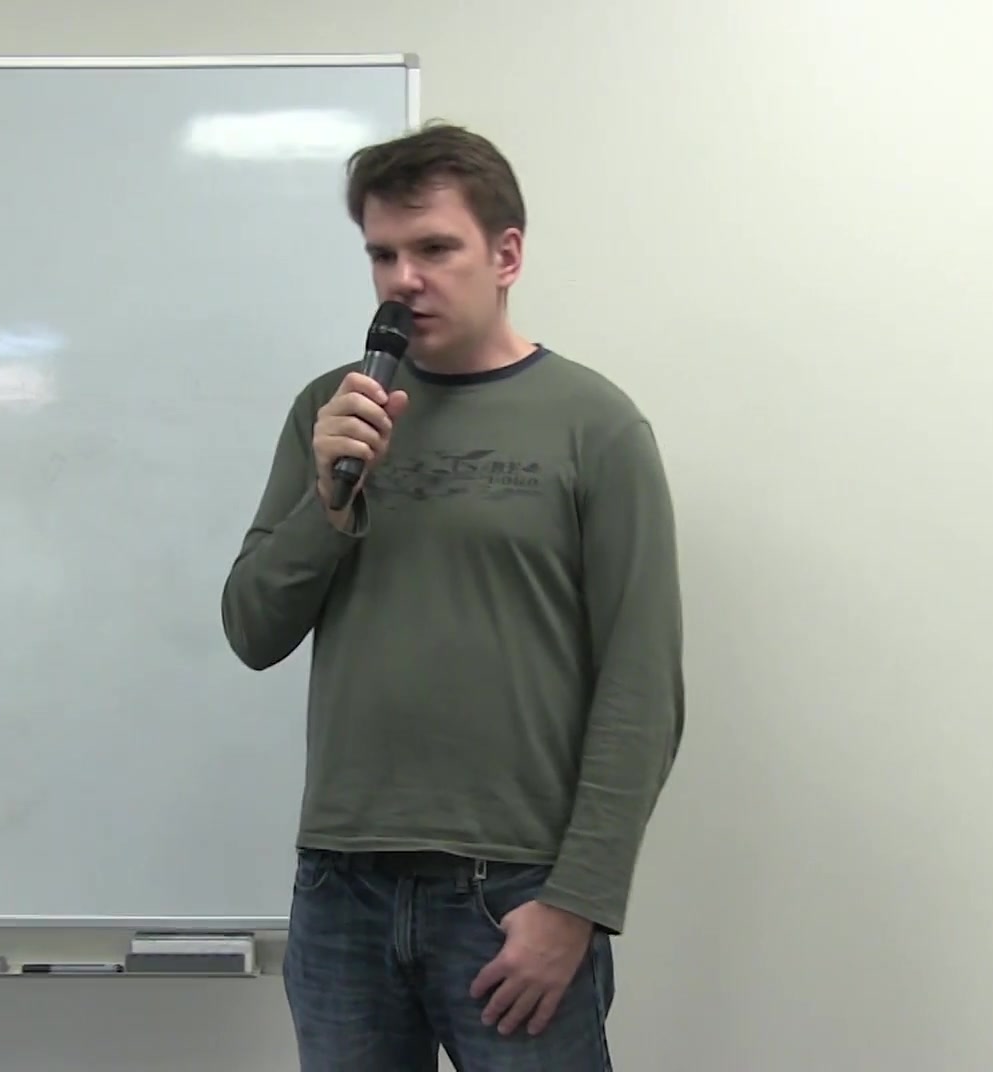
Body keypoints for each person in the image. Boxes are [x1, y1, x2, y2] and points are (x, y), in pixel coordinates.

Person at [219, 120, 685, 1071]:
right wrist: (329, 502)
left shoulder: (594, 425)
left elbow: (642, 689)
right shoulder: (331, 411)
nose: (403, 280)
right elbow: (253, 629)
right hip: (341, 887)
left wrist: (577, 903)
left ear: (506, 255)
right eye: (382, 254)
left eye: (434, 249)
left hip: (512, 892)